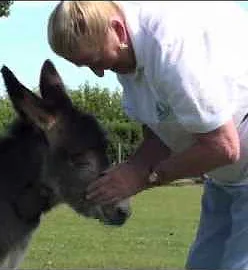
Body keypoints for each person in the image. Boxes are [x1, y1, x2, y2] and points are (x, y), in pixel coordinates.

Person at [47, 1, 248, 269]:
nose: (98, 73)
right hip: (226, 180)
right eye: (84, 66)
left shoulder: (170, 47)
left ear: (117, 30)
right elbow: (162, 133)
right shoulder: (127, 55)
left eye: (96, 61)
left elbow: (223, 146)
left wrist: (143, 177)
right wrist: (133, 166)